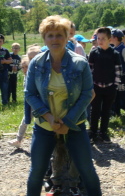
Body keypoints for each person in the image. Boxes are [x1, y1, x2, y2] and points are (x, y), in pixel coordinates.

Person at [25, 15, 102, 196]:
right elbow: (29, 94)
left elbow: (87, 94)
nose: (54, 39)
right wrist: (49, 118)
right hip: (44, 125)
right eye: (50, 35)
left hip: (74, 125)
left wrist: (67, 122)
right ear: (44, 38)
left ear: (67, 36)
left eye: (59, 35)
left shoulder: (79, 63)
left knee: (86, 169)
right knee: (37, 172)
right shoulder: (36, 64)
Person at [89, 27, 122, 144]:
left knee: (106, 111)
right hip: (96, 87)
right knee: (95, 111)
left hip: (110, 87)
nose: (100, 41)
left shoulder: (114, 54)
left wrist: (115, 86)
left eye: (103, 38)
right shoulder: (94, 53)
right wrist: (90, 86)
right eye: (98, 38)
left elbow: (118, 70)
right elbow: (90, 70)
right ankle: (92, 132)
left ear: (110, 39)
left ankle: (103, 132)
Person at [7, 46, 41, 148]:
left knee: (41, 123)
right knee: (25, 120)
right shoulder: (28, 75)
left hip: (40, 103)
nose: (25, 69)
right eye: (23, 67)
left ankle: (41, 142)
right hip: (30, 103)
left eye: (27, 66)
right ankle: (18, 139)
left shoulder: (40, 72)